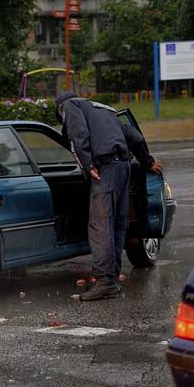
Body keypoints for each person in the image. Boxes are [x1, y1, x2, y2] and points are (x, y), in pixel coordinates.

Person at [56, 91, 162, 301]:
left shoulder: (69, 105)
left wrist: (87, 165)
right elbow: (134, 136)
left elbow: (78, 134)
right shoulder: (103, 110)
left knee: (100, 225)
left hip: (104, 169)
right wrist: (147, 161)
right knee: (116, 224)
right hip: (123, 167)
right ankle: (111, 278)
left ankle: (105, 282)